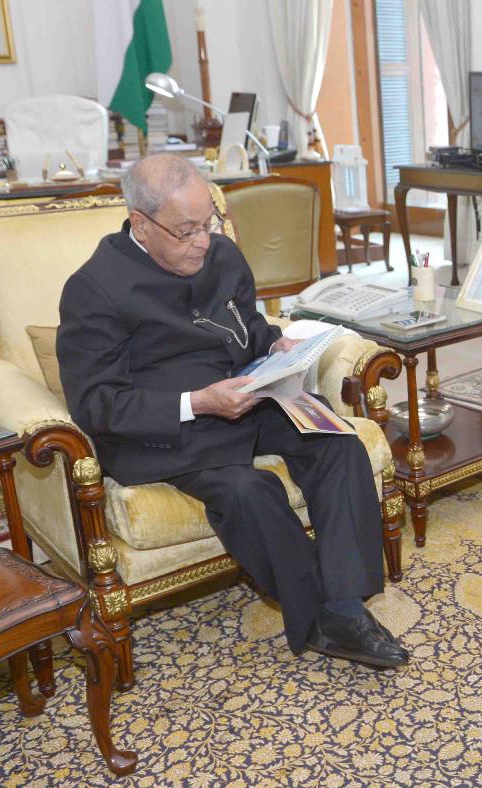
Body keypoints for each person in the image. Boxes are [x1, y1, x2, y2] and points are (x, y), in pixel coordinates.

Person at [57, 153, 408, 669]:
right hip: (172, 430)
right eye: (186, 231)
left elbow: (244, 327)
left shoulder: (221, 254)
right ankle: (321, 618)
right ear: (140, 224)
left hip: (248, 398)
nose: (203, 241)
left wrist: (276, 345)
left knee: (337, 442)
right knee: (249, 491)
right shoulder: (94, 288)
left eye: (209, 223)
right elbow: (95, 403)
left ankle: (345, 606)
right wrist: (198, 402)